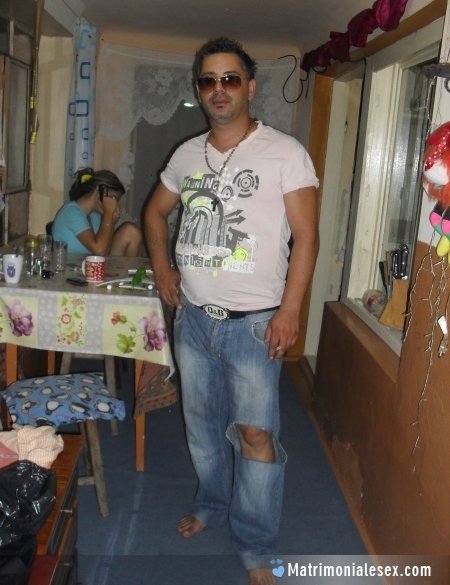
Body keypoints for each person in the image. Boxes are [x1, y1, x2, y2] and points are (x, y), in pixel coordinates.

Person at [144, 37, 319, 585]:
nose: (218, 89)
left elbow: (308, 238)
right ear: (198, 90)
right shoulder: (186, 155)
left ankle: (256, 544)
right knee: (201, 429)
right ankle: (213, 504)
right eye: (208, 80)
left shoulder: (284, 153)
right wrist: (163, 268)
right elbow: (154, 213)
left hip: (255, 326)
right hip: (194, 321)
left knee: (255, 435)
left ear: (250, 86)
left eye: (230, 79)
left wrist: (291, 310)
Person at [52, 167, 142, 256]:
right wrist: (108, 214)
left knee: (132, 231)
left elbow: (105, 252)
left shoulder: (95, 216)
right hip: (71, 264)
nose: (115, 205)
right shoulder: (72, 211)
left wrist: (112, 222)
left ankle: (134, 266)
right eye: (113, 198)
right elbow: (99, 251)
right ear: (99, 191)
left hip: (91, 263)